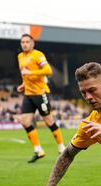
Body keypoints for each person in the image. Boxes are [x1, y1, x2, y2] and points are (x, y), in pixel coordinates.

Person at [17, 33, 66, 163]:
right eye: (22, 42)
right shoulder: (20, 56)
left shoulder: (38, 55)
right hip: (28, 94)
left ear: (33, 43)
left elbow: (48, 70)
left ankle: (62, 148)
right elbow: (24, 75)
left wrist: (31, 72)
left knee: (48, 121)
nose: (25, 44)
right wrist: (23, 84)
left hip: (40, 93)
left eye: (27, 42)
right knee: (25, 121)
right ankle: (38, 150)